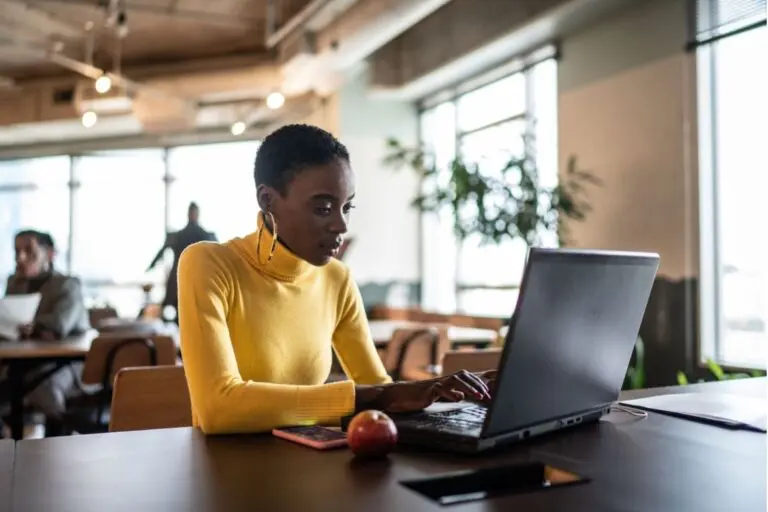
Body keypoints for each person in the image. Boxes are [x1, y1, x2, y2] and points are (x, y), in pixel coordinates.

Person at [178, 124, 495, 435]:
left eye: (347, 206)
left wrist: (446, 397)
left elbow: (380, 393)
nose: (341, 225)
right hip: (226, 476)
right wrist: (379, 396)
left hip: (313, 468)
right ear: (268, 201)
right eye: (323, 208)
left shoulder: (336, 277)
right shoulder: (209, 264)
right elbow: (218, 408)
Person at [1, 229, 90, 433]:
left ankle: (56, 441)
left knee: (40, 386)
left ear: (50, 254)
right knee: (16, 381)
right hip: (22, 361)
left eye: (29, 251)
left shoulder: (68, 285)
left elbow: (58, 325)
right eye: (17, 251)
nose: (20, 258)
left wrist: (31, 326)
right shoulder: (15, 283)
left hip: (66, 363)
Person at [147, 202, 217, 322]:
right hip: (186, 281)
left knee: (183, 315)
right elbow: (162, 252)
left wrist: (151, 267)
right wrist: (151, 267)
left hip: (187, 281)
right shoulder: (203, 236)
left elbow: (218, 256)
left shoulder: (202, 235)